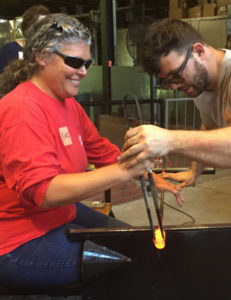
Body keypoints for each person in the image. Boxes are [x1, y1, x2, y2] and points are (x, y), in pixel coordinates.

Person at [120, 18, 231, 300]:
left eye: (177, 76)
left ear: (199, 51)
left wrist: (169, 139)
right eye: (167, 82)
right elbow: (209, 124)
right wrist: (195, 170)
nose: (176, 86)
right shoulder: (199, 84)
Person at [0, 14, 183, 289]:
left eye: (87, 64)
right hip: (17, 241)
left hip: (61, 215)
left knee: (135, 240)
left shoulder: (67, 104)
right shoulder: (23, 110)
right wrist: (123, 172)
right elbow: (44, 192)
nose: (83, 71)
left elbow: (102, 151)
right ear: (41, 57)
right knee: (128, 265)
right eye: (74, 62)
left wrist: (147, 175)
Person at [0, 5, 50, 73]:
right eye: (39, 25)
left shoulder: (49, 52)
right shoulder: (9, 49)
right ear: (27, 27)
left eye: (46, 26)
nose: (43, 30)